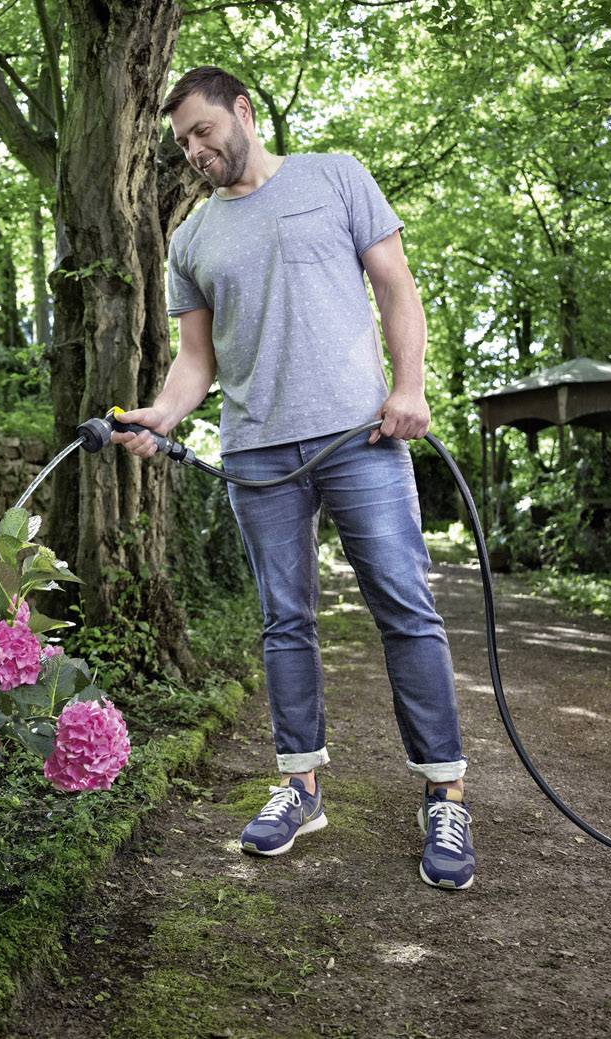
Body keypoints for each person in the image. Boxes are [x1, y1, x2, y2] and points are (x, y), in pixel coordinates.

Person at [113, 66, 475, 890]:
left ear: (242, 111)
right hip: (257, 454)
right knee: (285, 620)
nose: (194, 150)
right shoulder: (191, 241)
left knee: (405, 606)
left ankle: (444, 792)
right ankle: (301, 786)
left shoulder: (335, 177)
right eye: (182, 142)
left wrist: (410, 387)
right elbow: (196, 359)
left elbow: (397, 285)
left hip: (361, 437)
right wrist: (162, 414)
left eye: (203, 131)